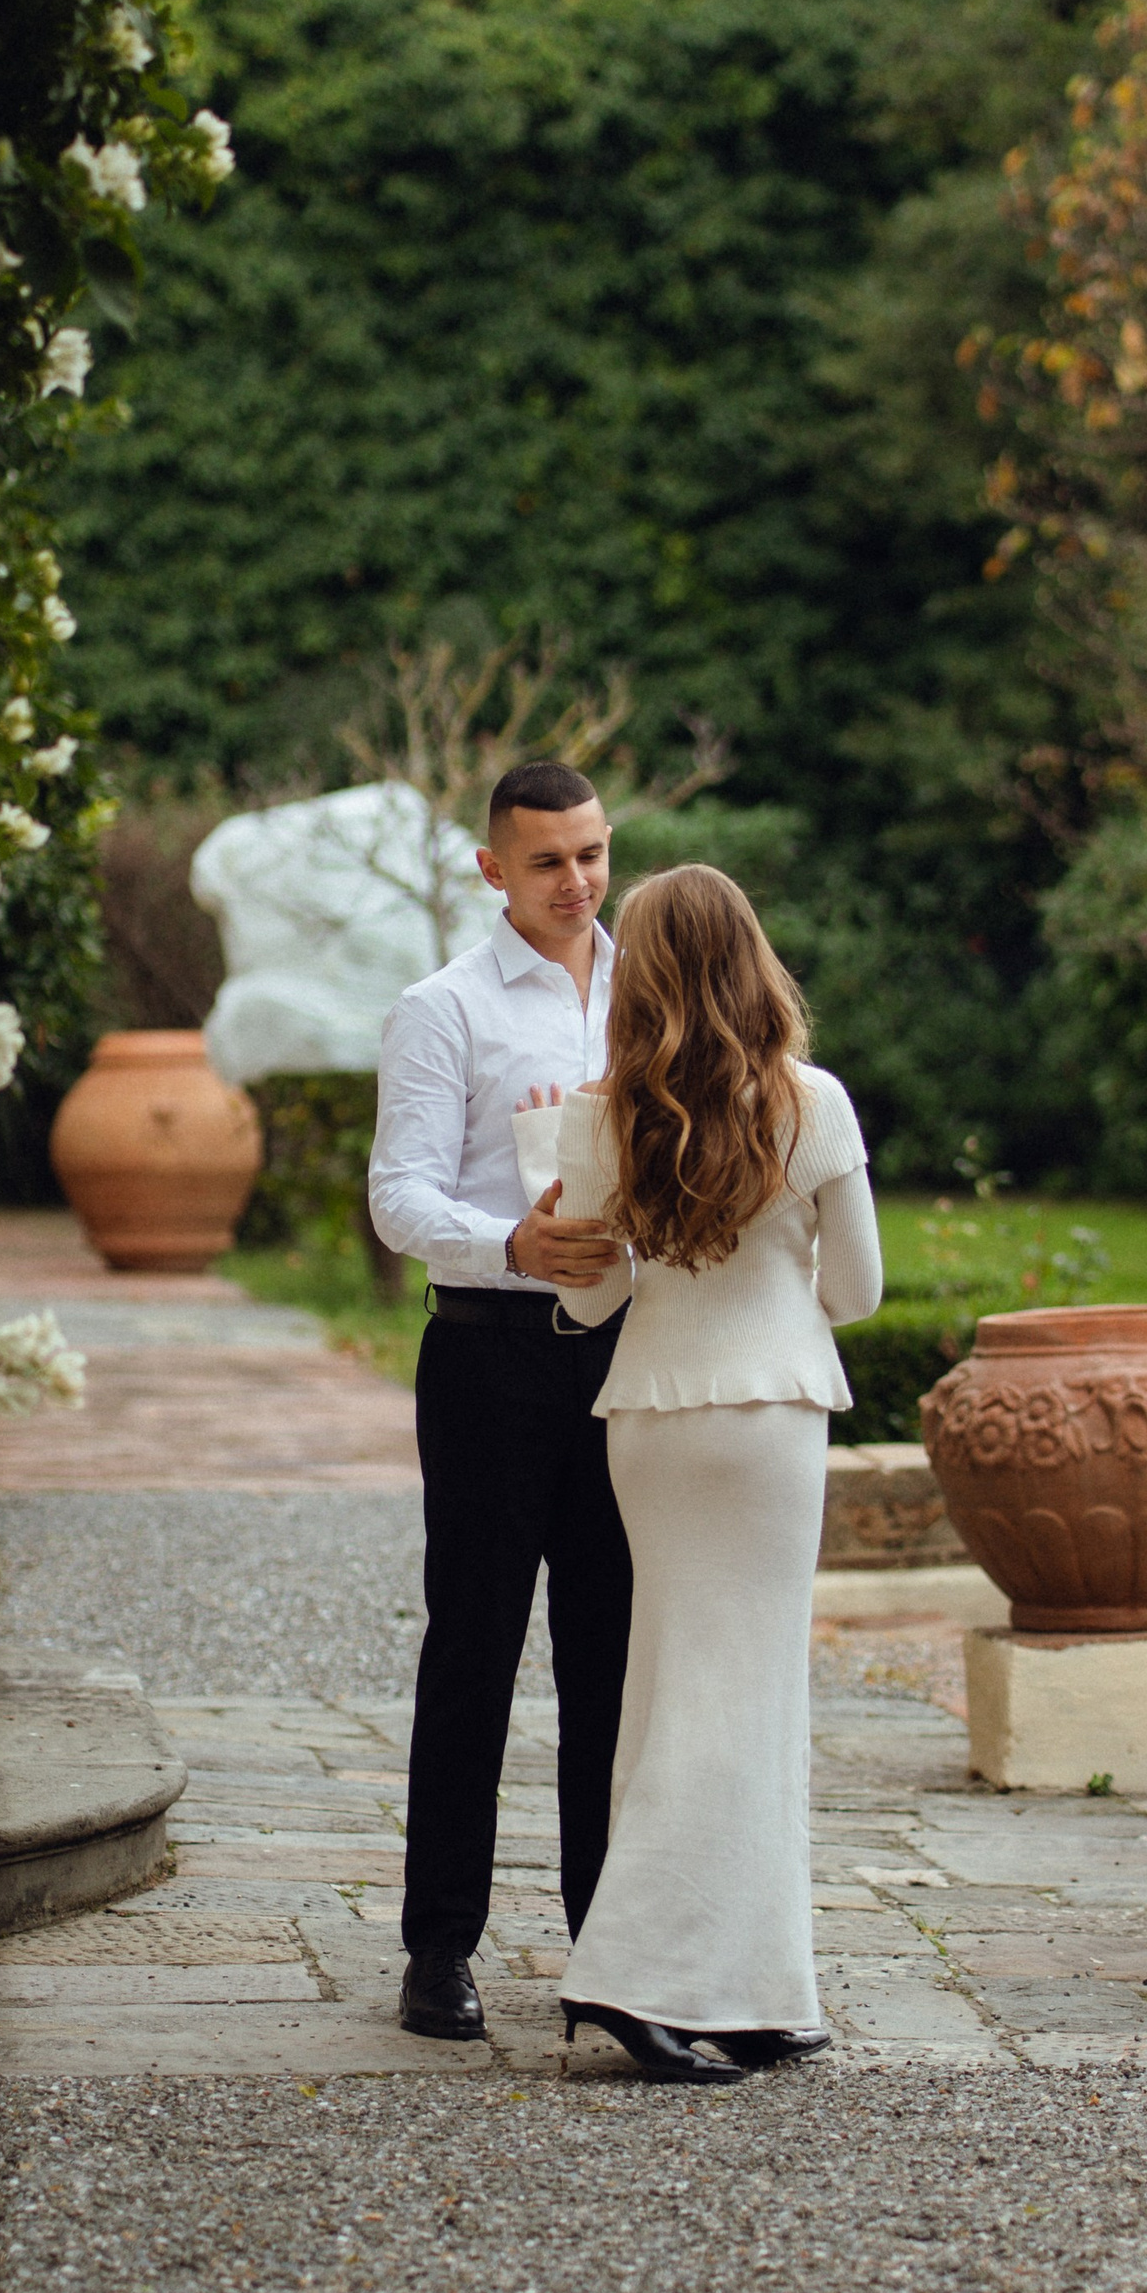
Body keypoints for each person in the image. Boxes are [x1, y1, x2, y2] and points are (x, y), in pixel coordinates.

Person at [535, 863, 883, 2085]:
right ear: (752, 957)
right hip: (771, 1417)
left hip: (653, 1419)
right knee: (744, 1697)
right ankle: (631, 1976)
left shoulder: (602, 1113)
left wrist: (563, 1212)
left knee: (676, 1687)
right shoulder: (813, 1101)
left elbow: (590, 1300)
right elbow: (857, 1291)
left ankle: (755, 1990)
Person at [366, 760, 633, 2044]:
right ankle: (438, 1947)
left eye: (591, 852)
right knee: (473, 1645)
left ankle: (614, 1941)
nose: (576, 881)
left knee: (612, 1653)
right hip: (486, 1355)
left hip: (627, 1358)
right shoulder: (443, 1009)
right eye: (546, 860)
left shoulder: (652, 994)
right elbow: (399, 1196)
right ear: (491, 869)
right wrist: (509, 1245)